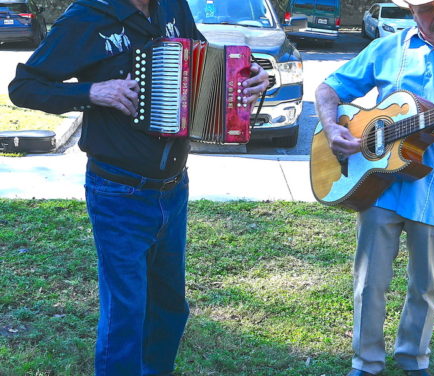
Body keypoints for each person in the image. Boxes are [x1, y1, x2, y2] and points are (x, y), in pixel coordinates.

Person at [8, 0, 269, 373]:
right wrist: (91, 92)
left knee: (169, 308)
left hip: (173, 188)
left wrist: (248, 75)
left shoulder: (173, 7)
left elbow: (203, 62)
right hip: (118, 191)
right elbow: (24, 87)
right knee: (125, 314)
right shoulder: (88, 16)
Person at [314, 0, 434, 375]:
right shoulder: (386, 47)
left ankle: (414, 359)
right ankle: (366, 363)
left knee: (424, 286)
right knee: (369, 283)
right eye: (426, 9)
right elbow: (327, 89)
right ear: (411, 11)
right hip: (378, 185)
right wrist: (333, 127)